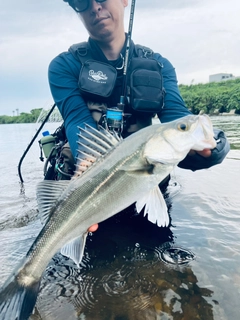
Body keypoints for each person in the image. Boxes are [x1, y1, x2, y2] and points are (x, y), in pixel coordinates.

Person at [48, 0, 230, 232]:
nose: (94, 7)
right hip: (89, 196)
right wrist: (87, 164)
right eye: (82, 2)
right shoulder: (64, 65)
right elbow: (77, 120)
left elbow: (177, 116)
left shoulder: (160, 66)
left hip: (146, 186)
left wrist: (215, 144)